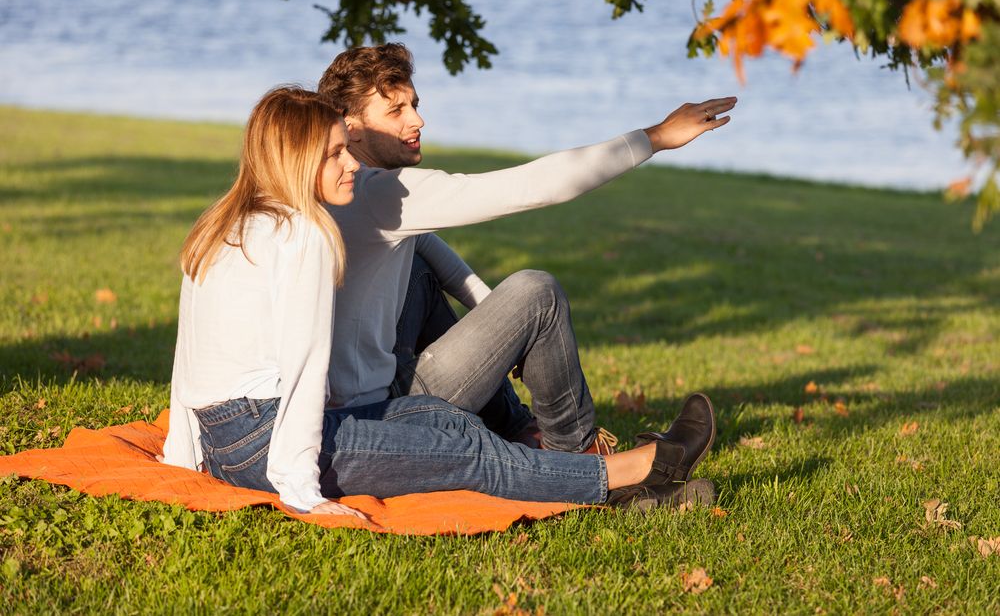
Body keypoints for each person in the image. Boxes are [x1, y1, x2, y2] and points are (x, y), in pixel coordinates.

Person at [161, 85, 718, 515]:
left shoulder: (226, 220)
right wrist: (301, 492)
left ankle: (595, 477)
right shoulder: (305, 232)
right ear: (299, 157)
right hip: (268, 438)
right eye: (336, 152)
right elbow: (305, 365)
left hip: (223, 437)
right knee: (471, 456)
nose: (350, 160)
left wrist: (183, 453)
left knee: (449, 422)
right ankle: (639, 469)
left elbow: (189, 358)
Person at [316, 43, 735, 457]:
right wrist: (656, 137)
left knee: (421, 269)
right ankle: (578, 451)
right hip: (383, 417)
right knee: (537, 294)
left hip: (361, 400)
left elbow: (427, 246)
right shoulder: (380, 193)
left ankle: (518, 427)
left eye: (414, 104)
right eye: (396, 111)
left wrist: (503, 324)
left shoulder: (337, 188)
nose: (417, 119)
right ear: (352, 127)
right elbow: (534, 185)